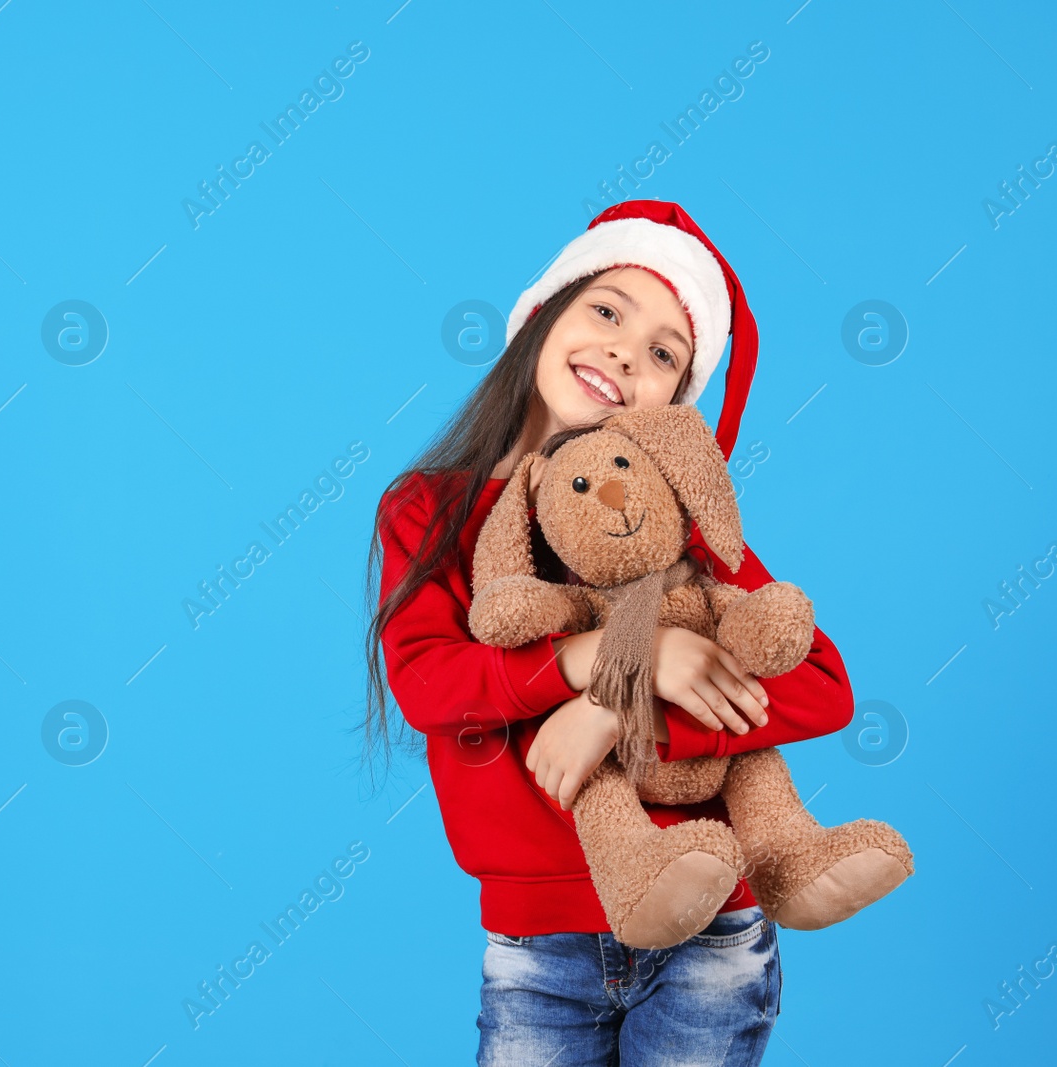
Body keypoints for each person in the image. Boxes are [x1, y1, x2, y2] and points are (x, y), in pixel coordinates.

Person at [362, 200, 855, 1064]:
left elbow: (820, 683)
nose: (628, 350)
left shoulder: (685, 535)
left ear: (673, 405)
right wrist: (614, 655)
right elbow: (432, 684)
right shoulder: (426, 510)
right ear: (544, 313)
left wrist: (626, 713)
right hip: (536, 947)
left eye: (665, 352)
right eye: (607, 310)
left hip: (710, 935)